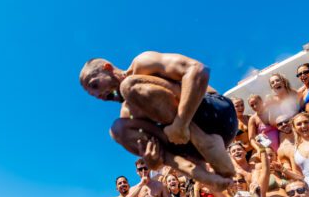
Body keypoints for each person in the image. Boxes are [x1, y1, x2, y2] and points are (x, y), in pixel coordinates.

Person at [79, 52, 238, 189]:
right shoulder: (127, 114)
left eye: (95, 85)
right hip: (192, 148)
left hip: (217, 115)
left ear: (107, 68)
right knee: (117, 130)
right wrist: (153, 162)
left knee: (129, 86)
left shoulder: (142, 64)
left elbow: (198, 70)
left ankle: (204, 141)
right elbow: (158, 162)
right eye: (94, 96)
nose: (99, 96)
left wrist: (181, 123)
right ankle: (201, 174)